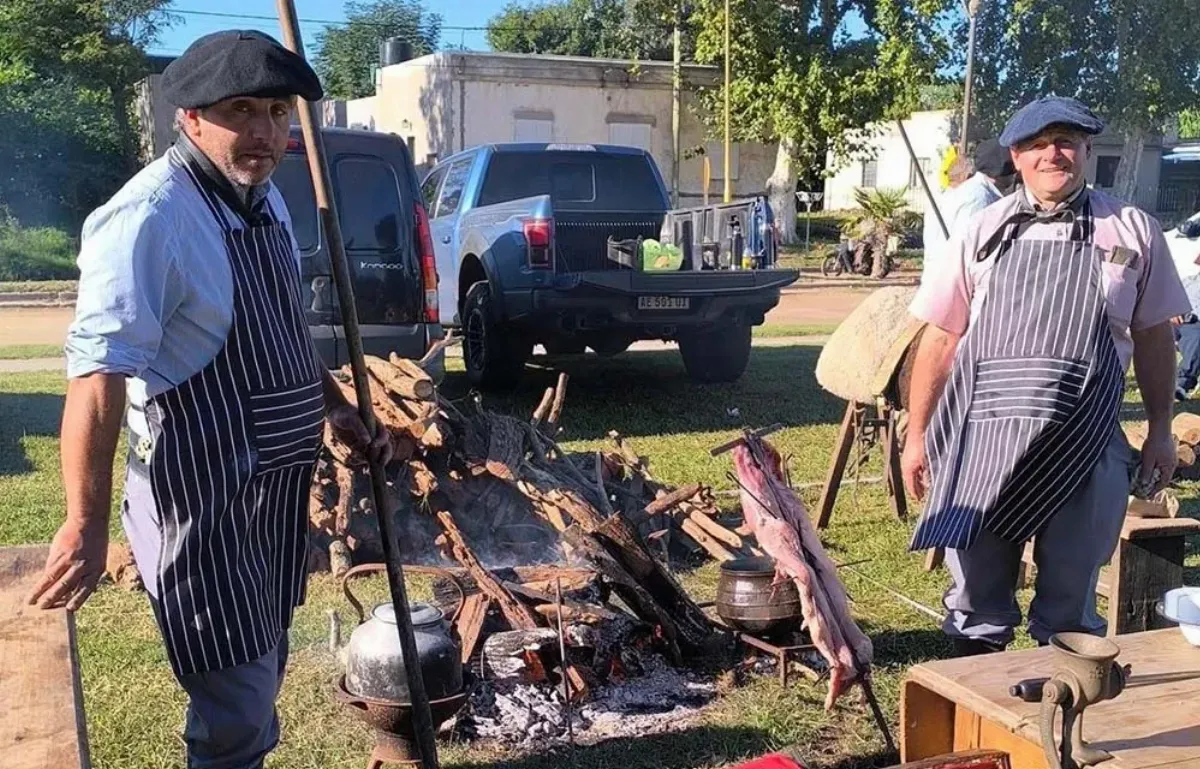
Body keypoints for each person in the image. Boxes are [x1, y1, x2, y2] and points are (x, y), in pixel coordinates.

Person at [27, 30, 394, 767]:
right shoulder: (148, 221)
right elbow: (96, 377)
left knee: (261, 670)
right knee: (238, 711)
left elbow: (285, 329)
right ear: (190, 118)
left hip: (271, 498)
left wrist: (335, 408)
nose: (264, 131)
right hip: (203, 504)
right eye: (240, 111)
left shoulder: (265, 204)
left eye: (277, 111)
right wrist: (84, 524)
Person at [900, 96, 1189, 656]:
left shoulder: (1131, 229)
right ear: (1017, 155)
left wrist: (1159, 429)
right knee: (977, 609)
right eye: (1037, 144)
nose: (1052, 153)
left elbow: (1154, 335)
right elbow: (939, 337)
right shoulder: (980, 230)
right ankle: (974, 725)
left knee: (1070, 615)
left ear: (1085, 151)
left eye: (1065, 142)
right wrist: (917, 437)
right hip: (983, 443)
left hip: (1086, 441)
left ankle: (1055, 734)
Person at [921, 140, 1018, 285]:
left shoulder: (959, 193)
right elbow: (968, 251)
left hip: (937, 281)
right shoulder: (981, 198)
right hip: (952, 286)